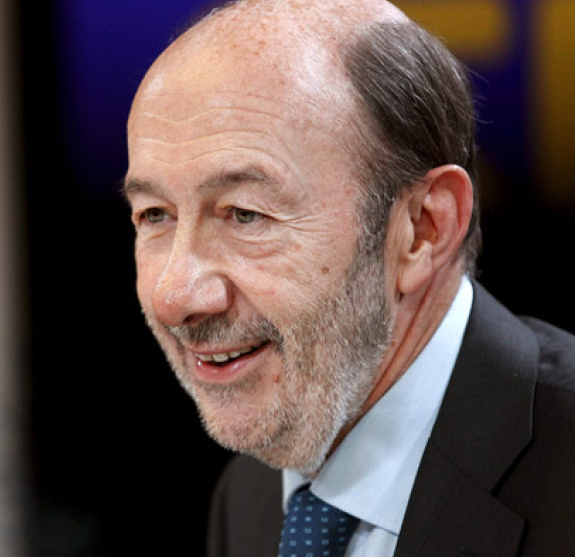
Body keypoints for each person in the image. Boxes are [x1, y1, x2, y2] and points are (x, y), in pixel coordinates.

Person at [122, 0, 575, 555]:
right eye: (155, 215)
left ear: (423, 229)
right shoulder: (249, 496)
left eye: (245, 214)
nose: (174, 296)